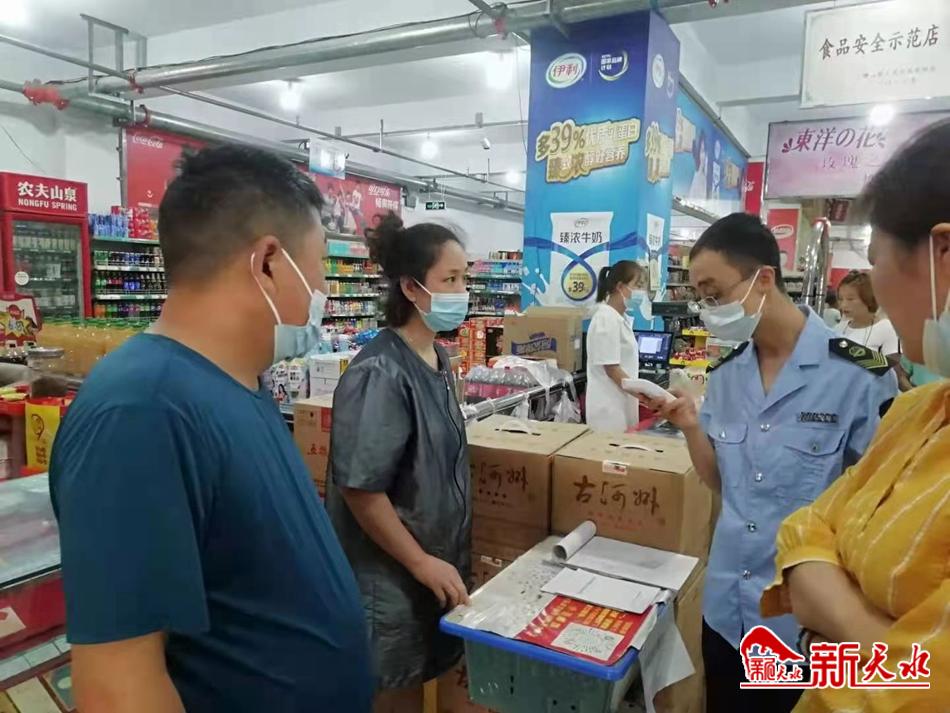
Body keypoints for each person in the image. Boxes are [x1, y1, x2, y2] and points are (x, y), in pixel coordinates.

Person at [49, 146, 373, 713]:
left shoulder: (237, 382)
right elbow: (119, 686)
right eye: (320, 263)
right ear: (268, 261)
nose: (323, 288)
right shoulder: (142, 410)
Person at [649, 213, 897, 713]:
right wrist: (692, 426)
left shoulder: (858, 375)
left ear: (763, 279)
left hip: (802, 626)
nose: (708, 310)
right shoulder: (727, 374)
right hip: (727, 611)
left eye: (714, 294)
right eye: (700, 297)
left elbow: (881, 508)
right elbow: (720, 481)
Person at [762, 119, 950, 712]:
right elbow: (806, 525)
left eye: (875, 262)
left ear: (942, 254)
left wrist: (834, 617)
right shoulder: (919, 412)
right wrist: (878, 634)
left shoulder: (865, 371)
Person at [325, 214, 472, 713]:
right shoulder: (380, 372)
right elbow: (361, 488)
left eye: (464, 278)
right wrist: (419, 561)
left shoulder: (438, 359)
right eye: (449, 279)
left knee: (416, 677)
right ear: (411, 287)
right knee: (392, 687)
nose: (462, 291)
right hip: (387, 573)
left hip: (428, 563)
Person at [585, 260, 649, 432]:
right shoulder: (605, 319)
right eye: (638, 286)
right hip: (608, 410)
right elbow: (612, 369)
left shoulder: (619, 318)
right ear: (620, 286)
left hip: (622, 402)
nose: (642, 292)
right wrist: (644, 394)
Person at [835, 270, 900, 355]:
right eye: (840, 299)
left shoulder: (887, 328)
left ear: (868, 298)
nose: (843, 305)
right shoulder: (838, 328)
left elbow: (893, 362)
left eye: (850, 299)